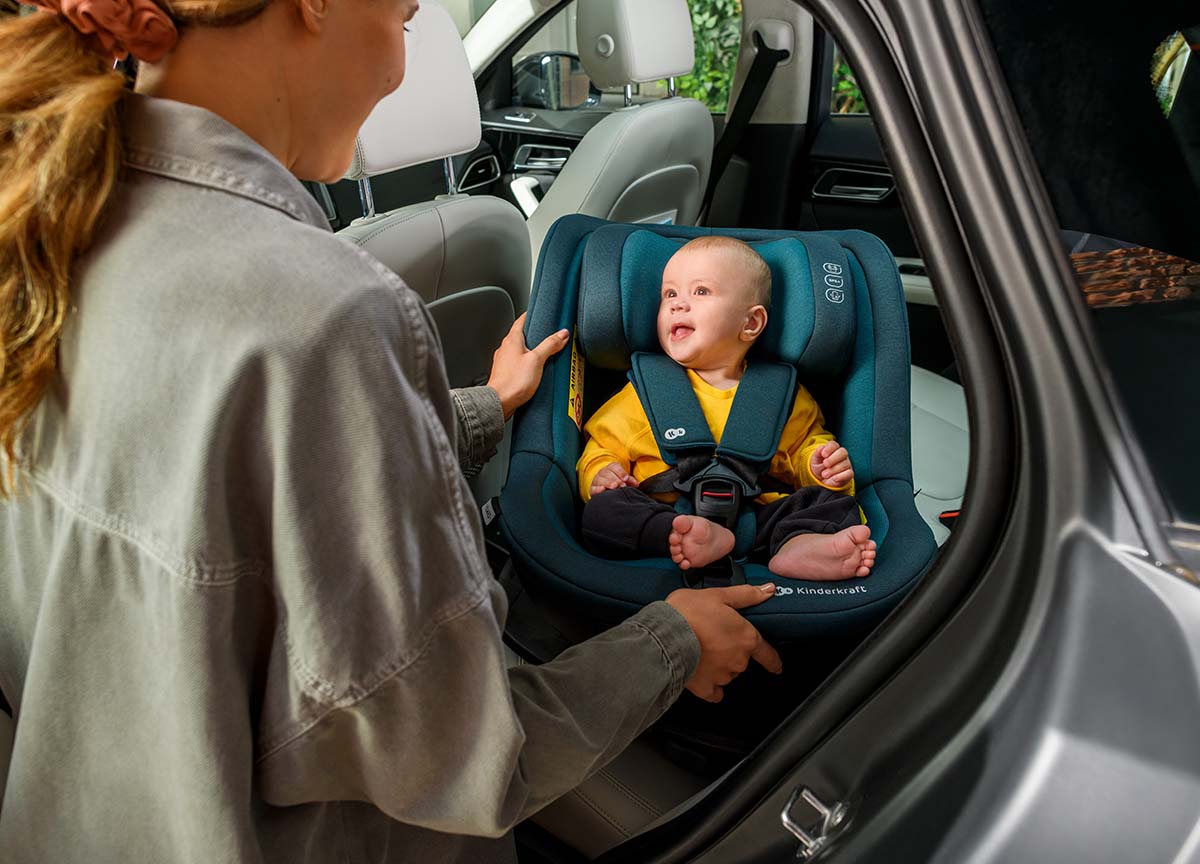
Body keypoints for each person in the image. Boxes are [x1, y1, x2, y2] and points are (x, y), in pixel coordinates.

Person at [0, 1, 784, 862]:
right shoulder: (327, 315)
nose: (401, 66)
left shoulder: (47, 228)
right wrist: (671, 641)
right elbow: (463, 752)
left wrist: (487, 404)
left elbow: (229, 496)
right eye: (406, 21)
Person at [578, 236, 878, 581]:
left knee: (835, 505)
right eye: (669, 294)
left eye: (701, 291)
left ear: (750, 323)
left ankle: (798, 545)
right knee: (604, 511)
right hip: (667, 513)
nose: (678, 305)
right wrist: (602, 473)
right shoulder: (643, 392)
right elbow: (602, 448)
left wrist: (819, 465)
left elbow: (805, 447)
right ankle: (681, 537)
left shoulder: (782, 395)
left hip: (762, 517)